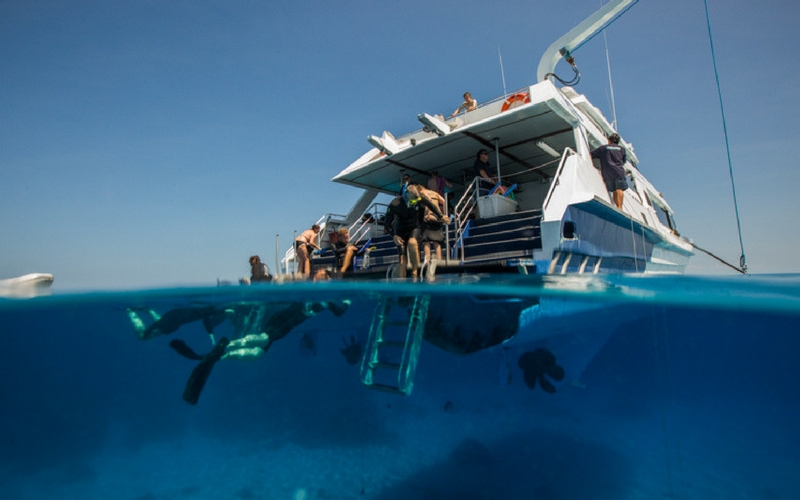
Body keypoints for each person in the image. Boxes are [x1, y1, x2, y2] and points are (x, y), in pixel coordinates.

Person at [384, 192, 422, 279]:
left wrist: (440, 215)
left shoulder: (419, 200)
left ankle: (415, 274)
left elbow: (430, 205)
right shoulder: (394, 204)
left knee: (413, 244)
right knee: (402, 257)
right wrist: (394, 235)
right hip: (400, 230)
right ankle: (401, 279)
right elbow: (387, 222)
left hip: (414, 228)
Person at [590, 133, 628, 209]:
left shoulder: (603, 148)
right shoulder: (622, 149)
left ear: (609, 140)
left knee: (614, 189)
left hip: (607, 172)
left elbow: (591, 155)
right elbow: (623, 161)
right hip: (618, 171)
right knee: (619, 188)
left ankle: (617, 206)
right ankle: (619, 207)